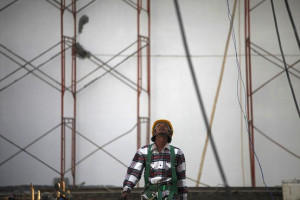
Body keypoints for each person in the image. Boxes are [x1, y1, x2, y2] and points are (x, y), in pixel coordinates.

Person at [120, 119, 188, 200]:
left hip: (170, 196)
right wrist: (126, 190)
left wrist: (184, 197)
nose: (162, 127)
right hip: (149, 196)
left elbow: (181, 178)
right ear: (154, 132)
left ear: (170, 133)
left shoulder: (177, 153)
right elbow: (134, 172)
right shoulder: (143, 151)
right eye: (159, 126)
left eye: (165, 126)